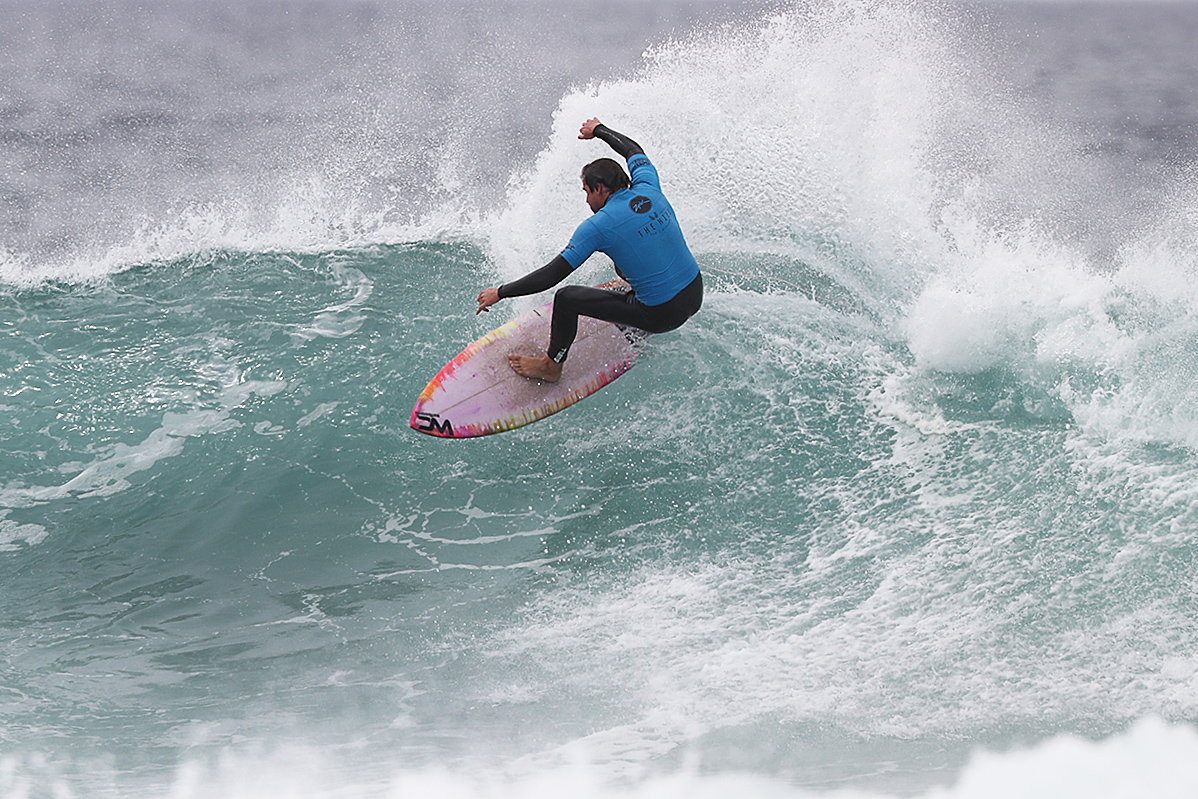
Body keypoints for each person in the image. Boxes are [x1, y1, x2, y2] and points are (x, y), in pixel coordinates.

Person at [476, 117, 703, 383]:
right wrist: (599, 130)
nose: (586, 199)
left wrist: (501, 292)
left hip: (661, 315)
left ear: (599, 189)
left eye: (586, 191)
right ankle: (638, 305)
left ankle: (551, 367)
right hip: (695, 294)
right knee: (625, 259)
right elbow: (633, 150)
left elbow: (552, 275)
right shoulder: (648, 186)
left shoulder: (599, 226)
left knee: (566, 298)